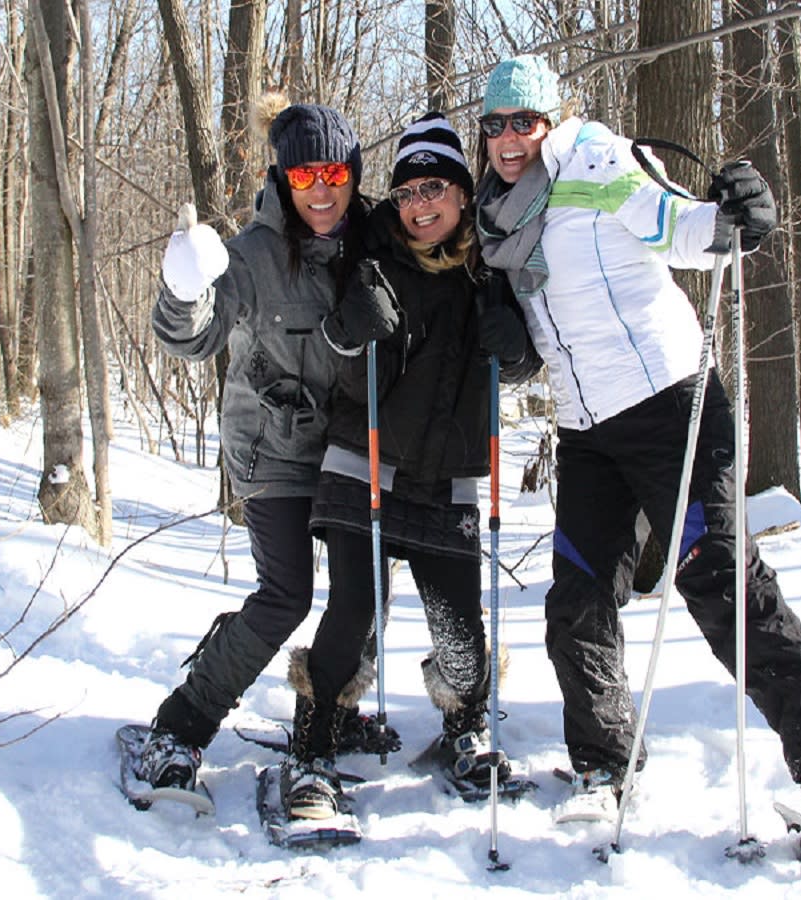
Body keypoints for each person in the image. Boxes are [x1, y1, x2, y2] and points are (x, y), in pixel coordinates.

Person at [471, 54, 801, 854]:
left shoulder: (599, 161)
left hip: (674, 407)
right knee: (578, 598)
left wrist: (735, 217)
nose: (510, 138)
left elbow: (685, 230)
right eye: (496, 125)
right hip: (588, 429)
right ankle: (603, 764)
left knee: (720, 586)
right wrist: (514, 349)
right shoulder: (499, 218)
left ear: (552, 120)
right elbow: (540, 332)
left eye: (525, 121)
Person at [277, 113, 541, 821]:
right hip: (362, 462)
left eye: (434, 188)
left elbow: (525, 361)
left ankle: (466, 725)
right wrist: (350, 326)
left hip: (447, 475)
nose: (420, 204)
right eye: (406, 192)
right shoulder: (370, 254)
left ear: (460, 192)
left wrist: (513, 347)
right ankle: (313, 744)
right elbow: (330, 347)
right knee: (355, 609)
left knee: (460, 629)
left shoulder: (491, 269)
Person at [138, 97, 396, 796]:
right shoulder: (253, 253)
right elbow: (193, 337)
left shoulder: (372, 239)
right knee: (286, 596)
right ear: (284, 180)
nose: (321, 192)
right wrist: (182, 288)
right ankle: (181, 724)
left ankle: (332, 712)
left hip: (345, 443)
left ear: (352, 174)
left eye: (334, 176)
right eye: (305, 177)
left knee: (366, 589)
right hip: (271, 446)